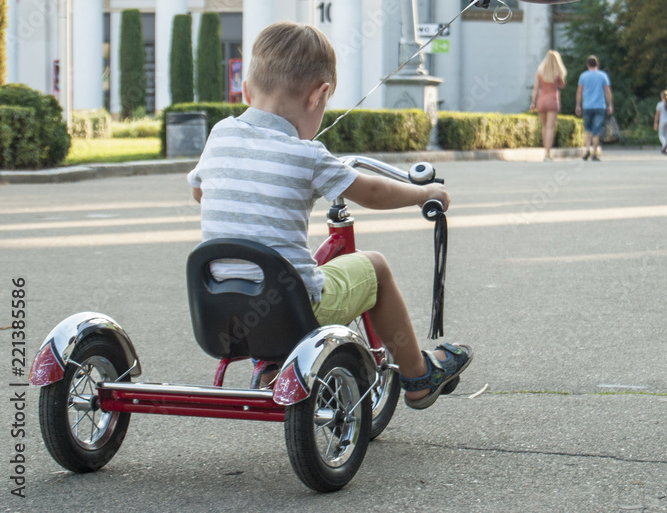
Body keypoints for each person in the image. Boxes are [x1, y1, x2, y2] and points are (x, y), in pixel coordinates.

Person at [186, 21, 472, 409]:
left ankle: (270, 366)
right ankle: (419, 374)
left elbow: (199, 191)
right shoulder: (307, 155)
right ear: (318, 95)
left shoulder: (220, 133)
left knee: (260, 269)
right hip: (291, 311)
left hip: (218, 314)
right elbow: (372, 192)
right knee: (375, 267)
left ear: (247, 91)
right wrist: (424, 193)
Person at [530, 49, 567, 162]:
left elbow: (536, 88)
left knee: (544, 127)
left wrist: (533, 102)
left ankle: (544, 152)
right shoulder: (558, 72)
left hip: (541, 100)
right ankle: (548, 153)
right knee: (550, 127)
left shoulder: (539, 72)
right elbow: (561, 85)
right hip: (552, 100)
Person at [575, 55, 613, 161]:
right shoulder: (603, 76)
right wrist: (610, 105)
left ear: (587, 65)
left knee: (587, 129)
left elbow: (579, 91)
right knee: (597, 130)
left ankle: (587, 149)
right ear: (597, 64)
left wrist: (578, 105)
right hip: (600, 106)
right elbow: (607, 91)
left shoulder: (583, 76)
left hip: (587, 106)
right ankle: (594, 153)